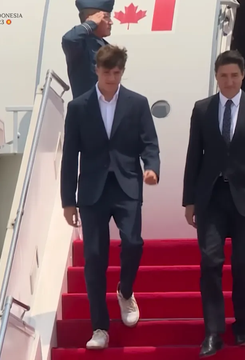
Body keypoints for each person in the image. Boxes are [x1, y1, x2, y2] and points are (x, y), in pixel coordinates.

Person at [182, 50, 245, 357]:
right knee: (210, 263)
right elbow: (193, 156)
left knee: (241, 265)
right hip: (211, 198)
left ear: (242, 76)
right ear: (216, 77)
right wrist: (189, 200)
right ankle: (213, 331)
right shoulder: (202, 109)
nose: (229, 81)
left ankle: (241, 325)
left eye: (234, 76)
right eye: (223, 76)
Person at [60, 44, 160, 350]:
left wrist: (151, 168)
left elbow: (150, 143)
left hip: (127, 184)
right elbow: (70, 155)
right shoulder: (78, 107)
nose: (112, 78)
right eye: (107, 73)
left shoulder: (137, 103)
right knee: (94, 259)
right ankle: (100, 328)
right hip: (91, 190)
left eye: (117, 73)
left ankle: (125, 291)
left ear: (122, 71)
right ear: (97, 70)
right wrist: (68, 200)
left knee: (133, 242)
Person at [62, 0, 114, 99]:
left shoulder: (106, 46)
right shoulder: (81, 44)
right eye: (106, 17)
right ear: (93, 19)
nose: (111, 22)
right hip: (87, 109)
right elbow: (69, 39)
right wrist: (90, 24)